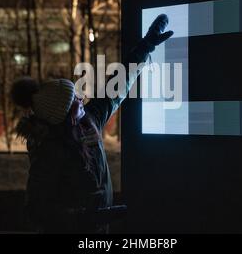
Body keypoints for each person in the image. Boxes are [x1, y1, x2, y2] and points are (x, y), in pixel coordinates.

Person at [10, 14, 174, 233]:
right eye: (74, 100)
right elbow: (36, 210)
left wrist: (146, 46)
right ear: (64, 114)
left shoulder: (88, 119)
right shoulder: (48, 151)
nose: (81, 99)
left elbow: (117, 85)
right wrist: (82, 219)